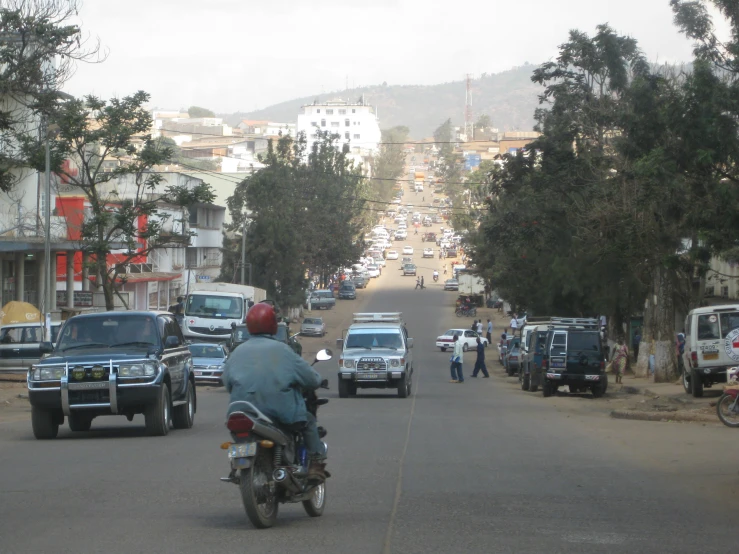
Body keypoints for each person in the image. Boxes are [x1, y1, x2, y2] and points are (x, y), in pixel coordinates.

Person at [222, 303, 328, 481]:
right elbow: (312, 380)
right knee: (309, 421)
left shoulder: (237, 352)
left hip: (241, 412)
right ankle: (316, 464)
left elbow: (227, 383)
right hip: (279, 413)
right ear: (272, 324)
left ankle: (241, 465)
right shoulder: (284, 350)